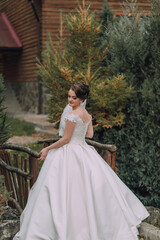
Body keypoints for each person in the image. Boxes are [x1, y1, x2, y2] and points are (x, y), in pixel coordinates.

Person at [13, 82, 149, 240]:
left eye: (74, 98)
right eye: (69, 96)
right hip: (83, 150)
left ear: (81, 99)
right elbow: (90, 134)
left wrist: (48, 149)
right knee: (87, 189)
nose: (70, 100)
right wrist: (79, 131)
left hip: (70, 151)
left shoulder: (72, 115)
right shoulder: (86, 114)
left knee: (65, 190)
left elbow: (65, 139)